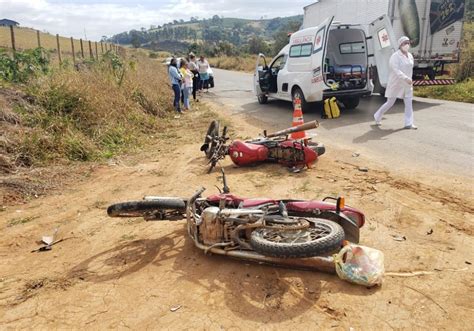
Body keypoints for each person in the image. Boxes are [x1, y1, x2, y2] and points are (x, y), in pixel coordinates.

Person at [374, 36, 417, 130]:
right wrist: (406, 78)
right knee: (390, 102)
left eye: (408, 43)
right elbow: (396, 70)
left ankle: (408, 123)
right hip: (396, 83)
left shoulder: (410, 55)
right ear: (400, 45)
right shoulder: (395, 56)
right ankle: (377, 115)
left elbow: (410, 68)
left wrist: (409, 79)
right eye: (404, 43)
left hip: (407, 84)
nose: (407, 45)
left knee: (409, 103)